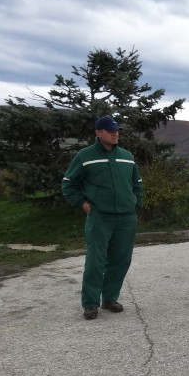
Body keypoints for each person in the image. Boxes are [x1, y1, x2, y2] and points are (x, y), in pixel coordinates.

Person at [62, 116, 143, 320]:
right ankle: (90, 303)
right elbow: (68, 184)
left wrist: (136, 203)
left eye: (117, 130)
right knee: (96, 261)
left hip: (126, 217)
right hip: (100, 217)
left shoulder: (127, 156)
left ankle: (109, 299)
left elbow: (137, 183)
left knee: (121, 259)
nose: (115, 133)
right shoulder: (85, 156)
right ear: (99, 133)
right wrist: (84, 205)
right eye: (110, 130)